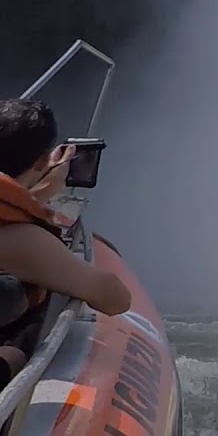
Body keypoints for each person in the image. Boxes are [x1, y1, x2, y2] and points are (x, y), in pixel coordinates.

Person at [0, 98, 131, 383]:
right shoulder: (24, 241)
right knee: (19, 341)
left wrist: (40, 191)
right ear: (42, 161)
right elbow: (114, 297)